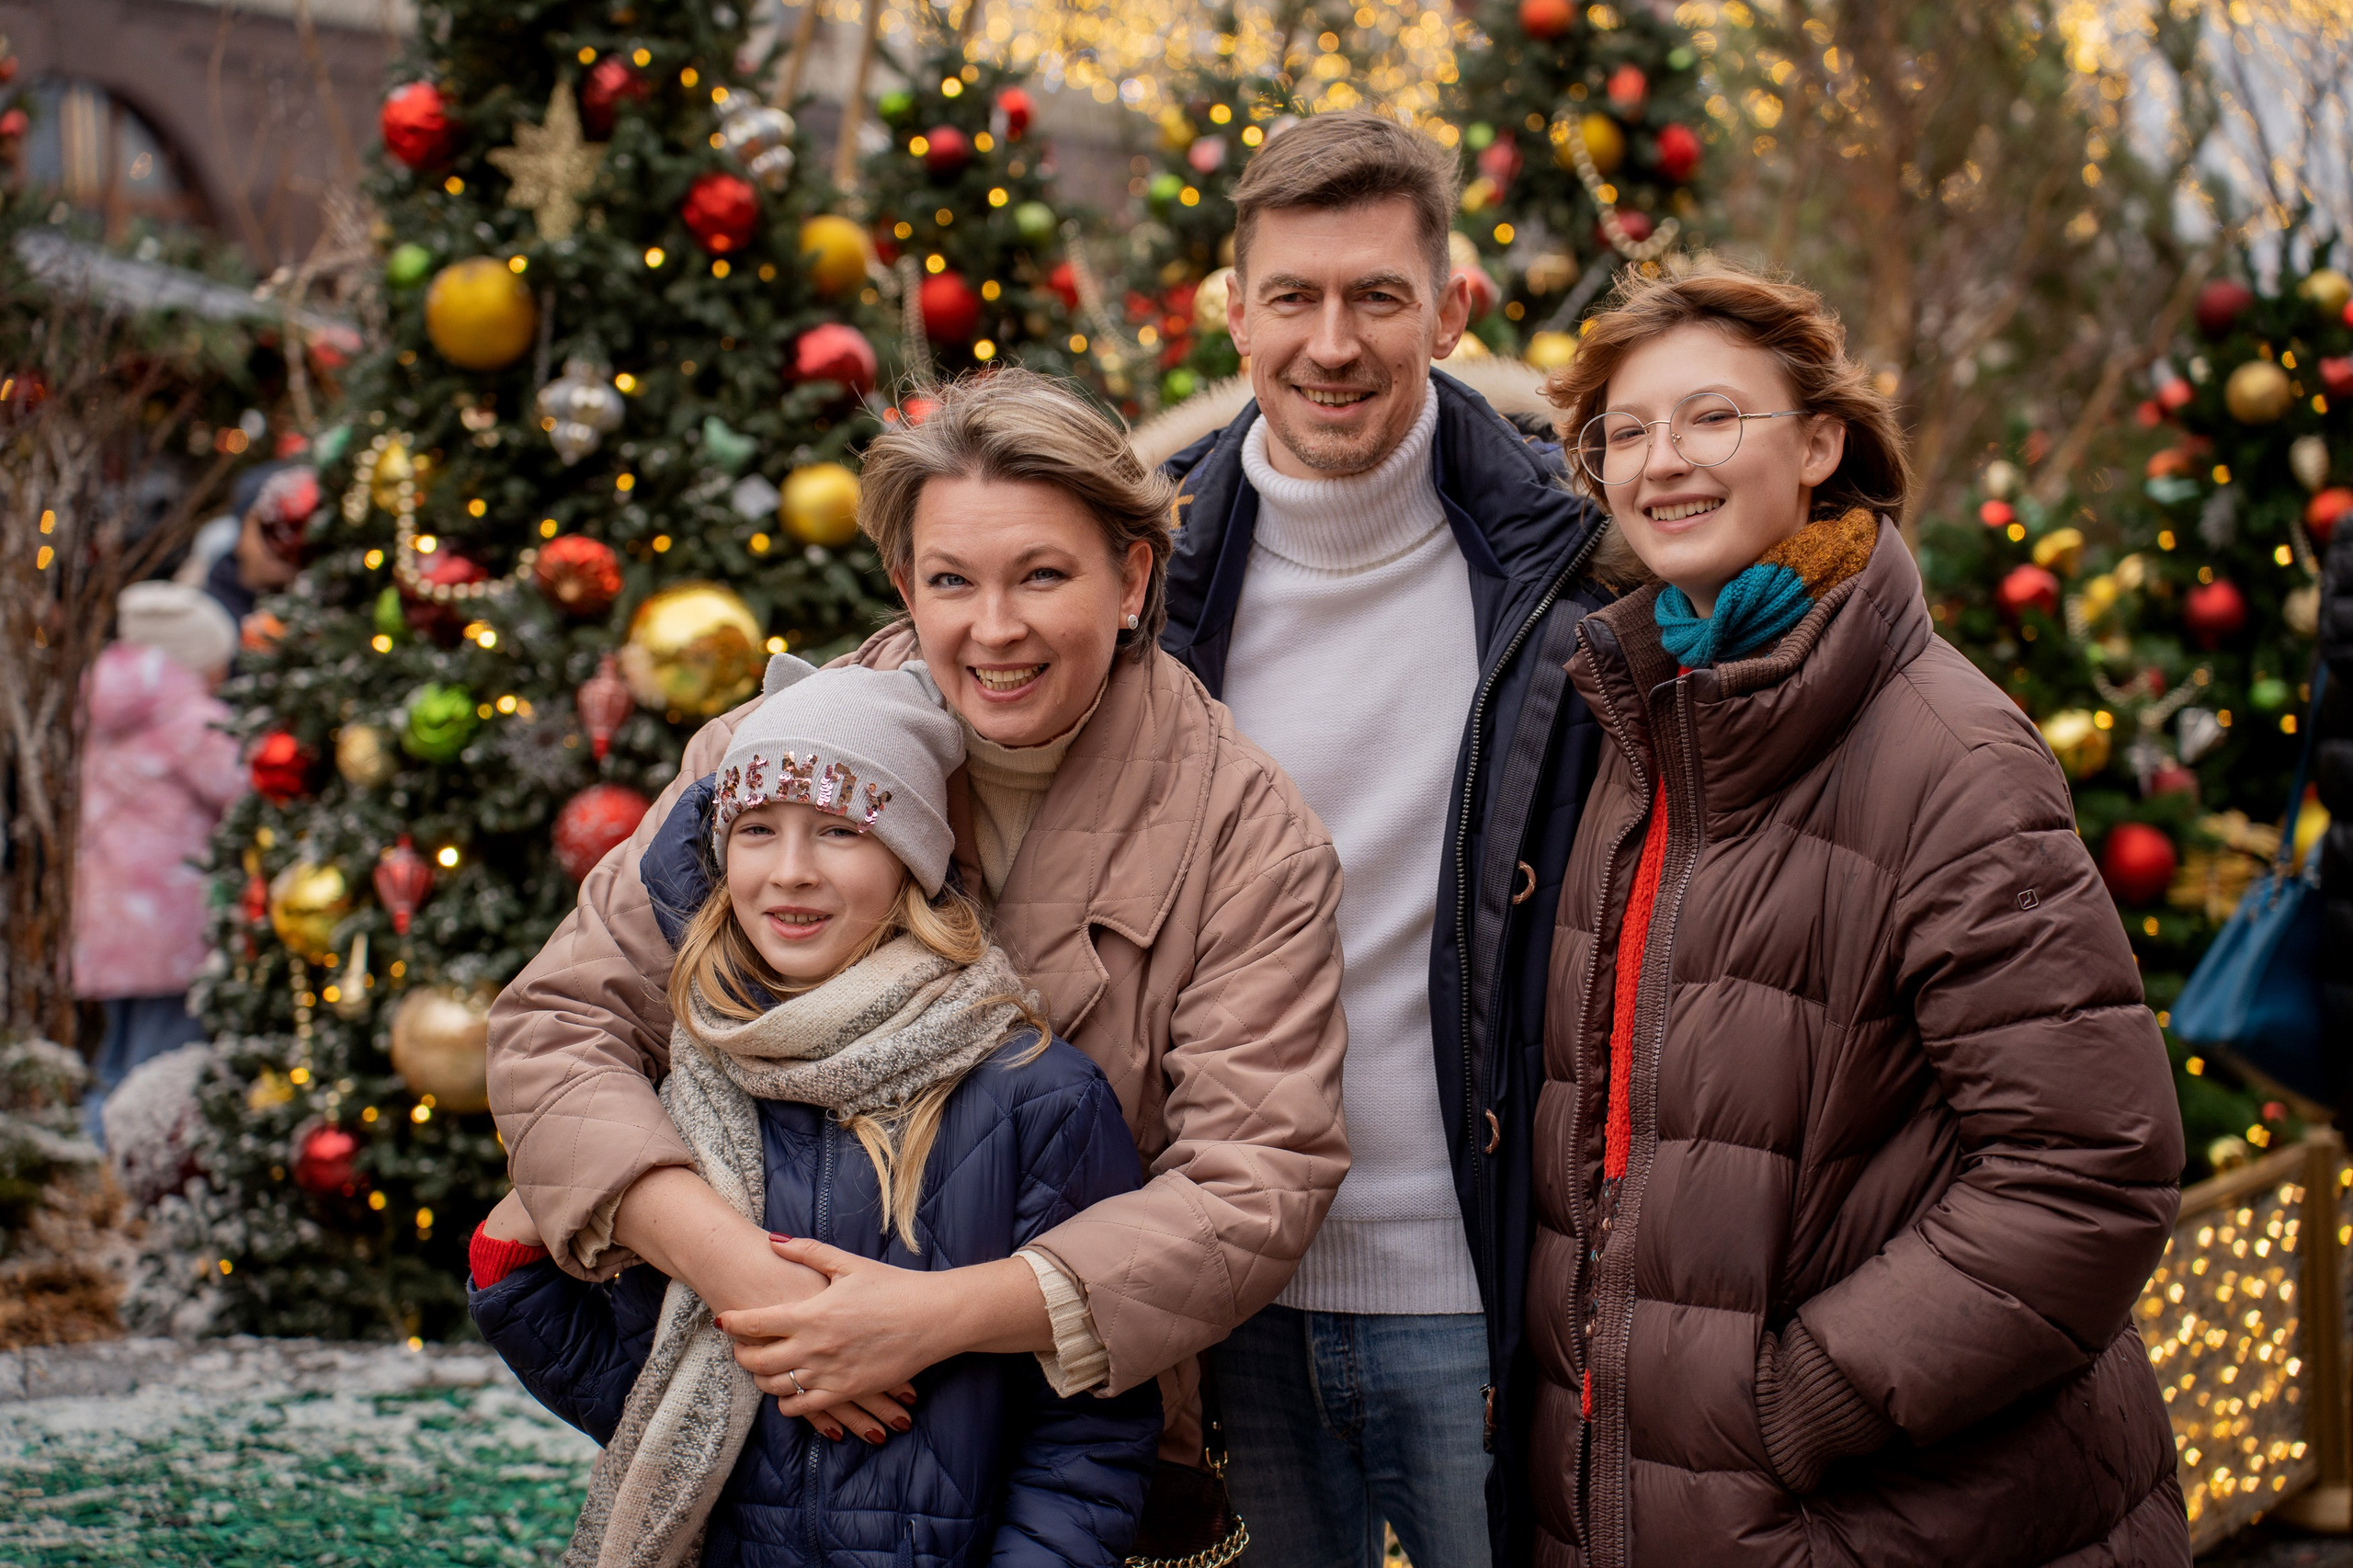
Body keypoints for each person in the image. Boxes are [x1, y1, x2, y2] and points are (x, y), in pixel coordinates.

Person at [484, 371, 1347, 1506]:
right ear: (903, 579)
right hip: (762, 1424)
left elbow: (1254, 1179)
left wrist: (925, 1321)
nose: (994, 629)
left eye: (1042, 574)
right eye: (951, 580)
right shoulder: (765, 756)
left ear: (1131, 577)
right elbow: (556, 1026)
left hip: (1062, 1459)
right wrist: (749, 1279)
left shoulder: (1243, 826)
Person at [1526, 262, 2188, 1565]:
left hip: (1897, 1510)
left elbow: (2090, 1167)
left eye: (1715, 418)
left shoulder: (1945, 754)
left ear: (1821, 443)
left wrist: (1800, 1400)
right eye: (1627, 433)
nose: (1665, 463)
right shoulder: (1637, 726)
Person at [1148, 111, 1613, 1567]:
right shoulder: (1146, 573)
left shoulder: (1575, 567)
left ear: (1452, 311)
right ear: (1235, 314)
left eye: (1377, 296)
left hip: (1481, 1285)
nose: (1331, 343)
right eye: (1293, 297)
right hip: (1230, 1291)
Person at [468, 653, 1160, 1565]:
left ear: (909, 857)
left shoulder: (1032, 1092)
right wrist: (513, 1259)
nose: (790, 872)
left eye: (838, 829)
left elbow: (1087, 1439)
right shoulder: (697, 1082)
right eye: (757, 829)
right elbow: (644, 1388)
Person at [74, 581, 244, 1142]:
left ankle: (89, 1157)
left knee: (116, 1053)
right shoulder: (190, 716)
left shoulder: (101, 707)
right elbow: (243, 786)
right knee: (157, 1065)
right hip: (171, 926)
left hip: (105, 921)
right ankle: (123, 1174)